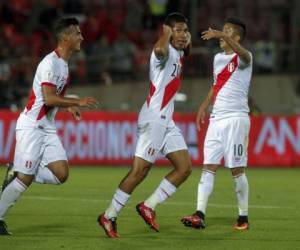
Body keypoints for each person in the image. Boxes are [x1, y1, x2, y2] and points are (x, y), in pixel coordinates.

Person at [0, 17, 98, 235]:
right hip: (33, 126)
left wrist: (68, 106)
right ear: (65, 37)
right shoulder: (50, 63)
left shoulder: (63, 65)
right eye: (78, 33)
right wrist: (76, 101)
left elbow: (54, 98)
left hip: (47, 127)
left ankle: (18, 169)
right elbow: (48, 99)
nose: (82, 37)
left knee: (60, 174)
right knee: (24, 180)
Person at [98, 12, 192, 238]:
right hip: (154, 118)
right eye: (178, 29)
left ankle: (148, 205)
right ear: (167, 30)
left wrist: (182, 39)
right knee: (139, 171)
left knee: (184, 168)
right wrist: (166, 34)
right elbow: (159, 50)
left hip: (165, 120)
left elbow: (181, 48)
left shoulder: (178, 53)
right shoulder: (164, 50)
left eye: (185, 30)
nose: (183, 34)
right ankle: (109, 215)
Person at [181, 17, 252, 231]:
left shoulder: (246, 58)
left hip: (236, 118)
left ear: (236, 37)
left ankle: (243, 218)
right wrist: (204, 104)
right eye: (222, 31)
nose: (222, 35)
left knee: (237, 170)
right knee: (208, 167)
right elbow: (216, 84)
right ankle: (199, 214)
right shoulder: (218, 58)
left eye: (227, 32)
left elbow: (244, 54)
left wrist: (222, 35)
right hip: (216, 119)